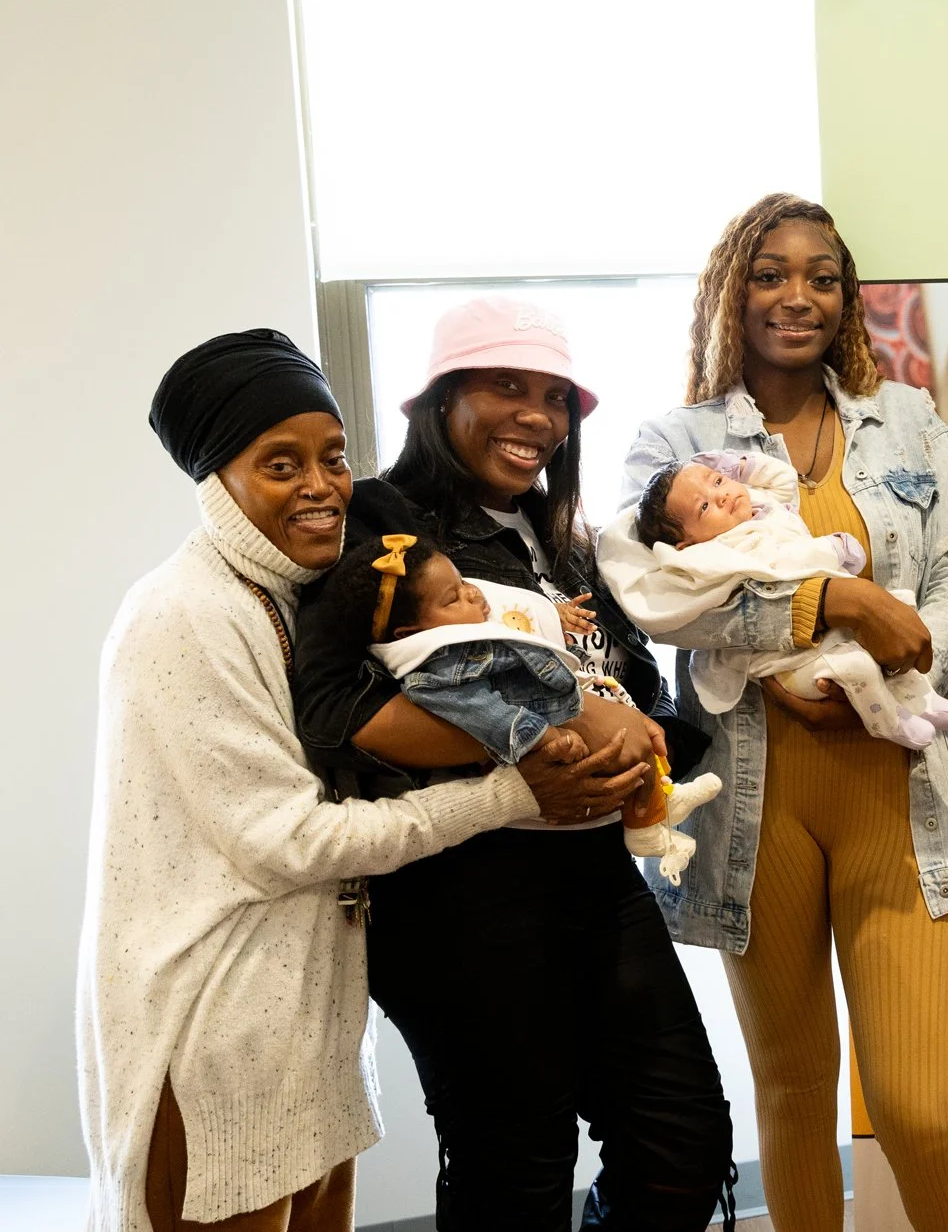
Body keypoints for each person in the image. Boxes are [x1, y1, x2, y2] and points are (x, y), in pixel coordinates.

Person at [79, 331, 625, 1232]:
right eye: (280, 464)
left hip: (305, 1031)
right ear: (217, 475)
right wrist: (515, 792)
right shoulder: (182, 615)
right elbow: (289, 839)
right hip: (210, 1044)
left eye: (332, 457)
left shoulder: (309, 597)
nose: (321, 486)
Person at [290, 297, 734, 1230]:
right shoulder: (380, 525)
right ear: (439, 400)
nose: (536, 415)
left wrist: (639, 735)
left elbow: (634, 678)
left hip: (594, 877)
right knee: (517, 1173)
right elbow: (333, 710)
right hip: (457, 892)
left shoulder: (561, 537)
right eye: (504, 386)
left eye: (555, 396)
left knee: (683, 1148)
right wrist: (542, 744)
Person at [620, 194, 948, 1232]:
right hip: (759, 804)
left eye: (822, 277)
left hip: (898, 793)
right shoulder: (674, 441)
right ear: (730, 290)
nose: (798, 296)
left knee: (922, 1109)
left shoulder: (906, 416)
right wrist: (833, 604)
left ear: (847, 296)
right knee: (790, 1093)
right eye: (771, 273)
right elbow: (660, 598)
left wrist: (906, 650)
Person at [314, 532, 721, 870]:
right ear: (408, 634)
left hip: (576, 725)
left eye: (463, 582)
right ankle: (647, 827)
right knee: (619, 758)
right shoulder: (439, 669)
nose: (472, 593)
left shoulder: (466, 631)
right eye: (453, 598)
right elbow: (483, 711)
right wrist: (541, 736)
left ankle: (661, 803)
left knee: (635, 754)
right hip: (543, 766)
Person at [596, 448, 948, 750]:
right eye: (704, 507)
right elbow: (782, 566)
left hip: (829, 639)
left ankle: (924, 699)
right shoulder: (716, 552)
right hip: (793, 662)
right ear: (685, 544)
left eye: (718, 481)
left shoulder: (757, 513)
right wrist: (833, 555)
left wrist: (740, 465)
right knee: (859, 667)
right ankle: (889, 722)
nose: (722, 495)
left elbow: (783, 480)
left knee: (898, 611)